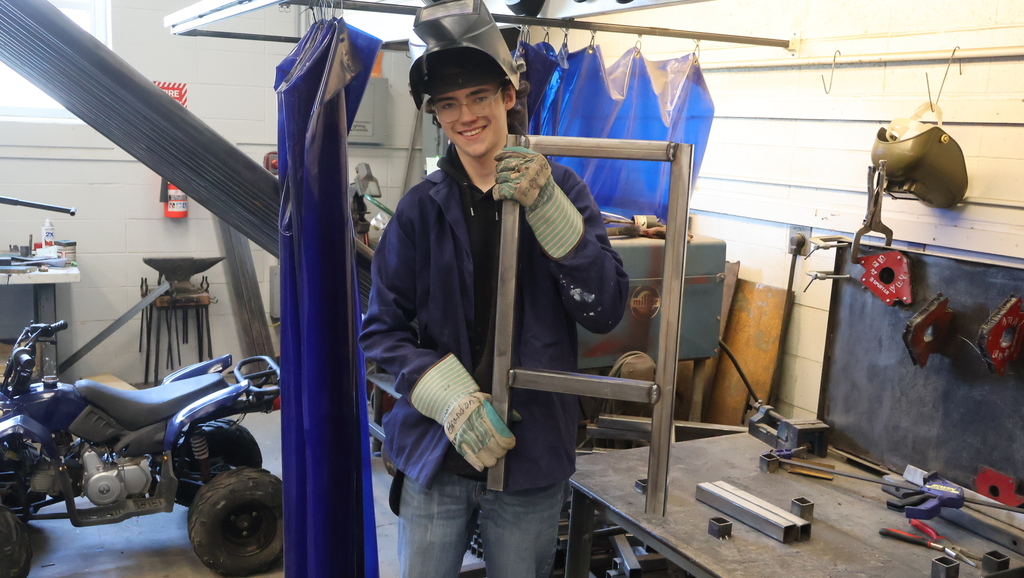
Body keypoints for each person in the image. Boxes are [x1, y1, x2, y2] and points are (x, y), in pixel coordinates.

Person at [358, 1, 629, 576]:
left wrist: (551, 213)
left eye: (480, 96)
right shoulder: (418, 211)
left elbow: (606, 309)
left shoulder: (565, 189)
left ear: (509, 96)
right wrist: (445, 395)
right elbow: (381, 329)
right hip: (437, 454)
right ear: (436, 115)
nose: (466, 116)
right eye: (449, 104)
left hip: (530, 460)